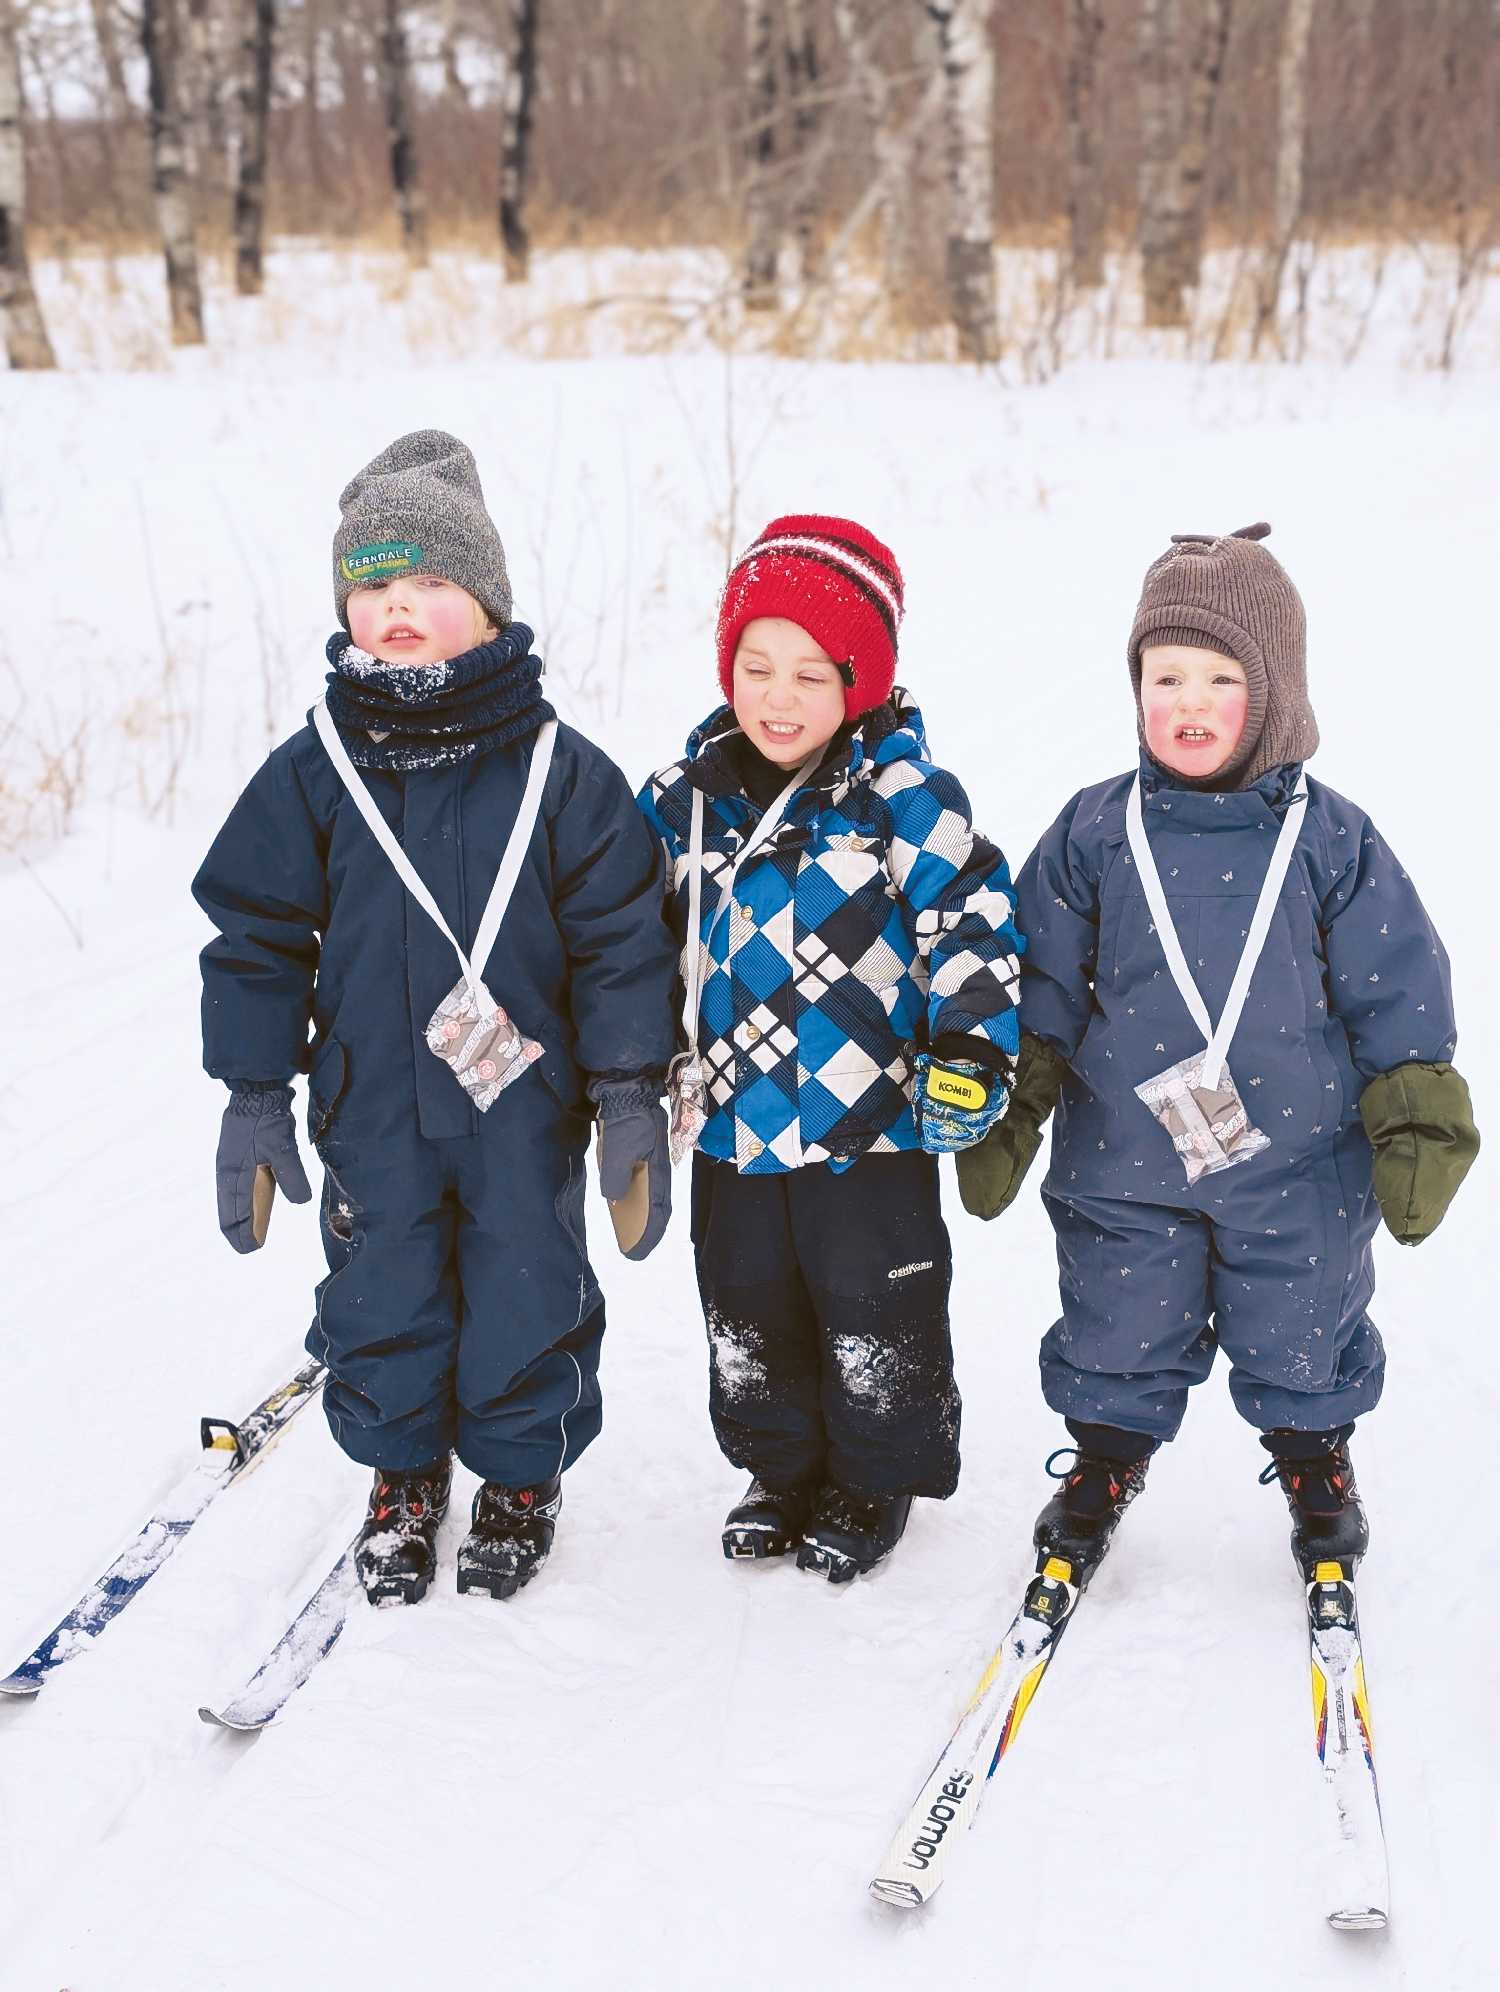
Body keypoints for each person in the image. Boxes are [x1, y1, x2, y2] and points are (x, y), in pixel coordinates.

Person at [193, 430, 677, 1607]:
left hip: (524, 1106)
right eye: (373, 588)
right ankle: (403, 1471)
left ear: (488, 602)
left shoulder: (563, 772)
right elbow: (255, 934)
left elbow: (623, 939)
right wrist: (255, 1092)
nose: (397, 609)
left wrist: (627, 1089)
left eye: (427, 584)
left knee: (526, 1282)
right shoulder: (315, 769)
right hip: (372, 1108)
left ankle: (518, 1472)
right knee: (381, 1290)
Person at [959, 523, 1478, 1583]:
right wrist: (1015, 1097)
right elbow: (1040, 979)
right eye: (1166, 678)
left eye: (1220, 679)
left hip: (1297, 1157)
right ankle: (1105, 1460)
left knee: (1303, 1317)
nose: (1188, 703)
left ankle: (1315, 1460)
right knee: (1117, 1314)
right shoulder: (1096, 832)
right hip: (1125, 1154)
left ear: (1275, 691)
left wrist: (1417, 1109)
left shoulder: (1330, 840)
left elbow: (1394, 979)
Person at [637, 515, 1023, 1581]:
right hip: (732, 1122)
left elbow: (974, 924)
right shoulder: (683, 804)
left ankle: (873, 1477)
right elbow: (625, 938)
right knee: (747, 1305)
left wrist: (972, 1049)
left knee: (875, 1303)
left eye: (812, 674)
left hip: (870, 1124)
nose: (778, 696)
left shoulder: (904, 799)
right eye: (755, 667)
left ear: (862, 679)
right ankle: (779, 1470)